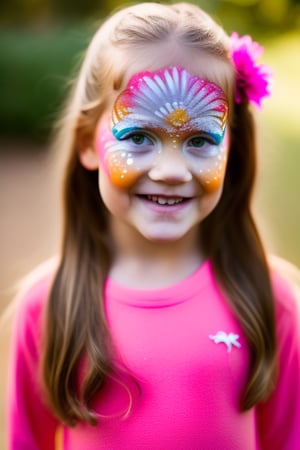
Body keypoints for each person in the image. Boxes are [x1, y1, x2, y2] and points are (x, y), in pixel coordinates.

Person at [6, 2, 300, 449]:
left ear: (230, 150)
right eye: (140, 137)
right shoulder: (48, 306)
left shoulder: (270, 299)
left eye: (200, 140)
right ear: (88, 143)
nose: (170, 170)